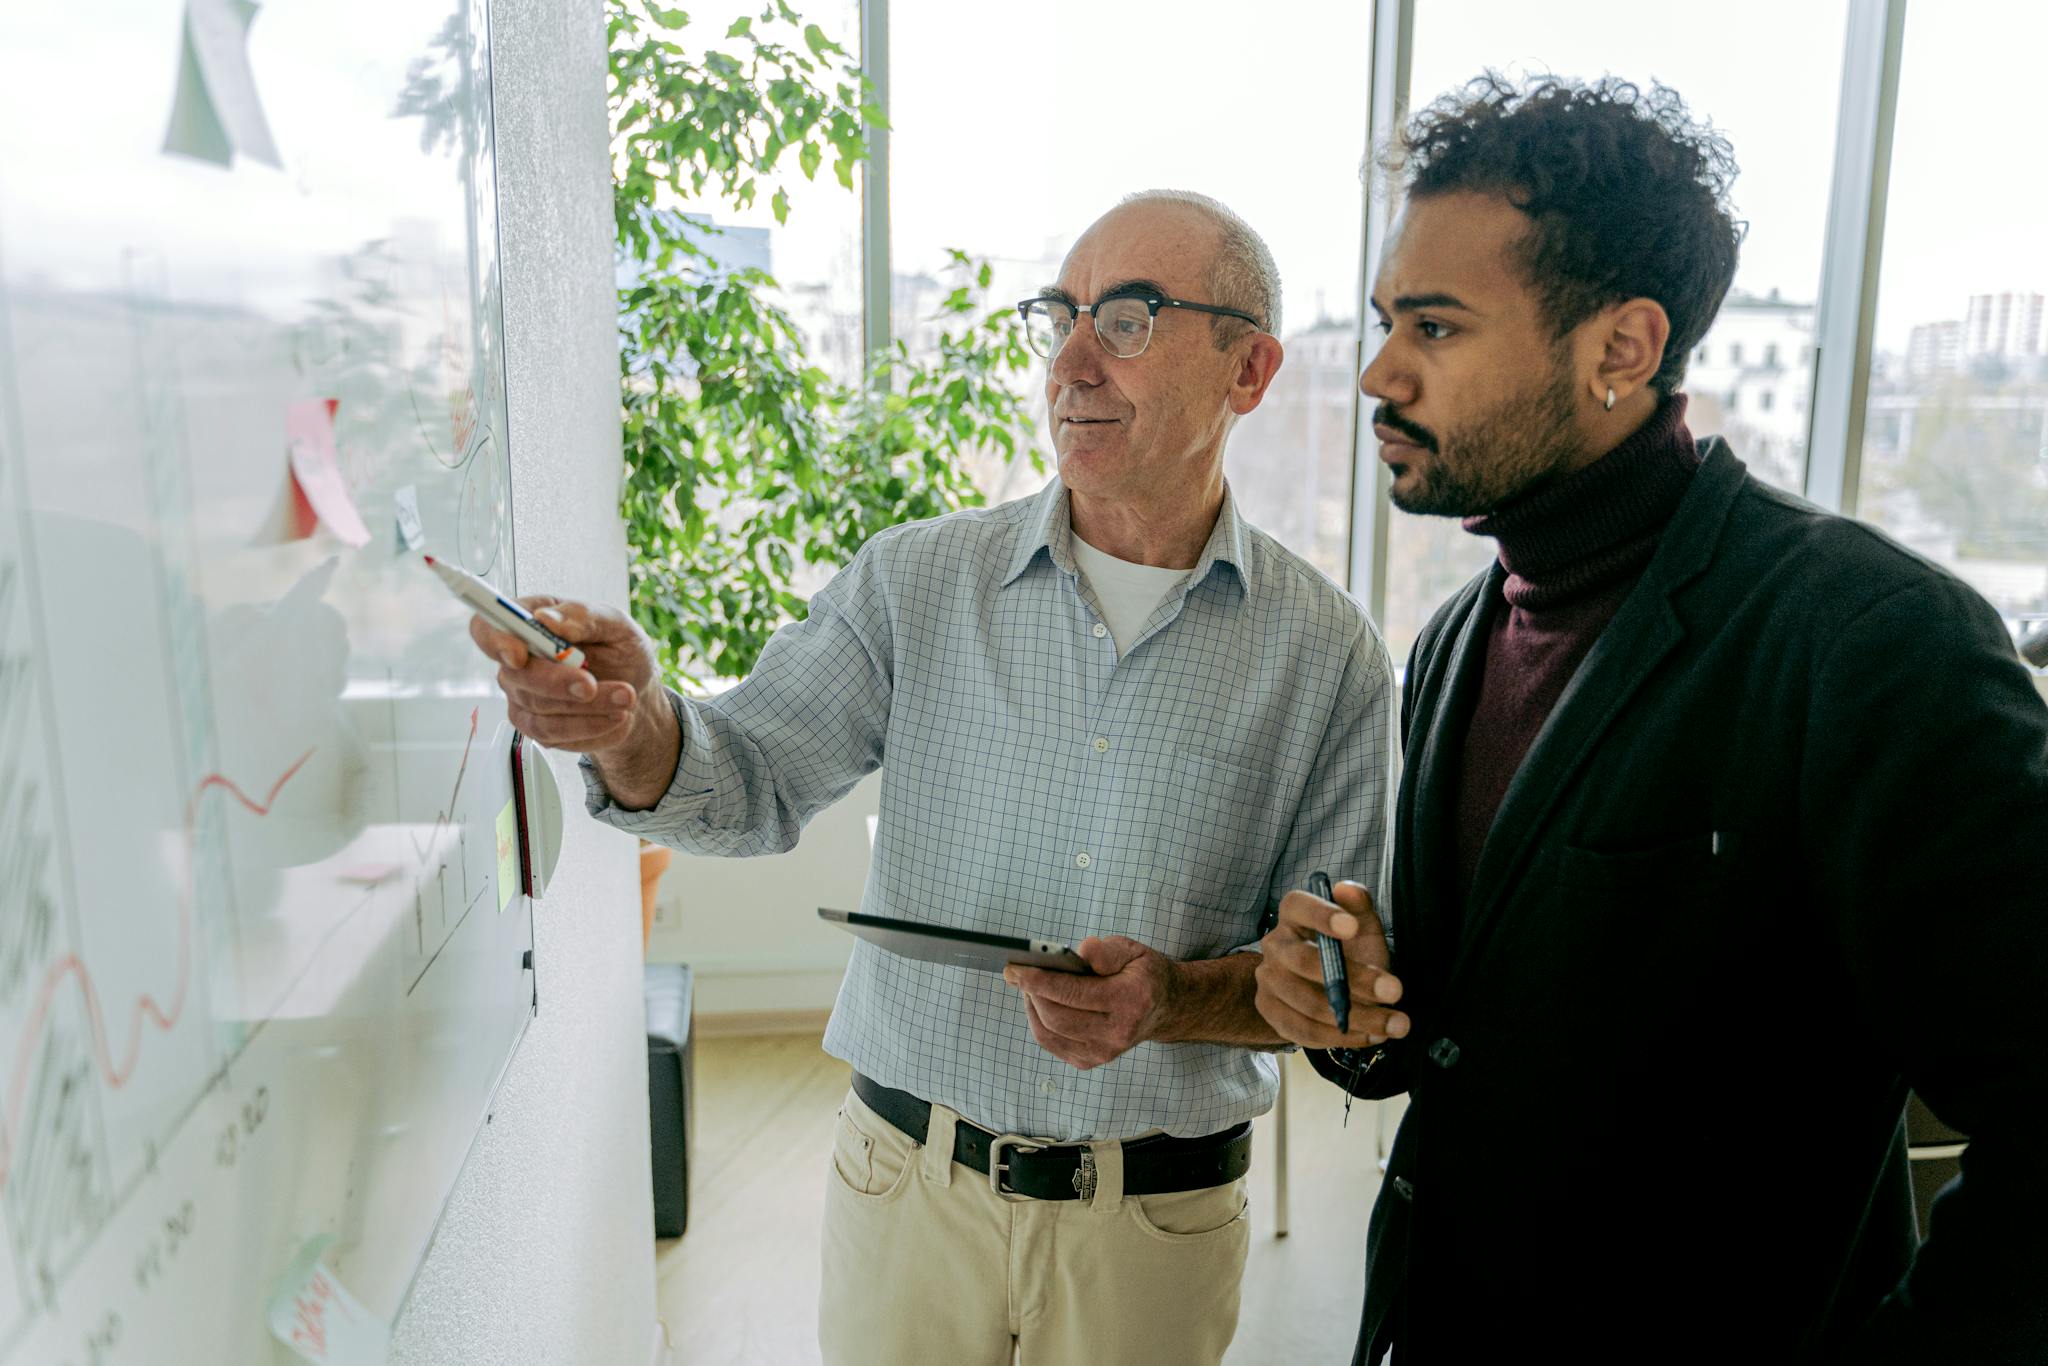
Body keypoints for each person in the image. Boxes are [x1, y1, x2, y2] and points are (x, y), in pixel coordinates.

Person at [472, 190, 1396, 1366]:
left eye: (1125, 319)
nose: (1069, 362)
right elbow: (746, 777)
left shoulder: (1329, 656)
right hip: (904, 1192)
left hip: (1152, 1228)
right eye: (1057, 317)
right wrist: (631, 724)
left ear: (1248, 369)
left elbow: (1324, 983)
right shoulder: (915, 580)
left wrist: (1171, 998)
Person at [1252, 73, 2048, 1364]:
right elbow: (1464, 1031)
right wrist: (1350, 1011)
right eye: (1390, 318)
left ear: (1621, 348)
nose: (1377, 372)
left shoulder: (1867, 640)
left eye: (1435, 327)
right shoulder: (1455, 639)